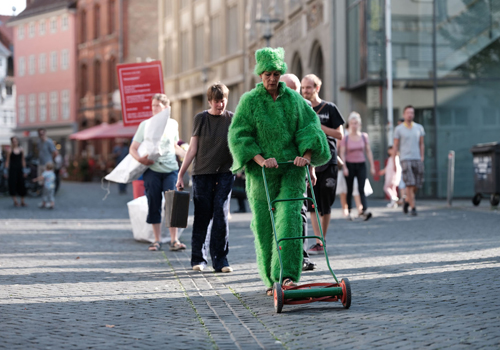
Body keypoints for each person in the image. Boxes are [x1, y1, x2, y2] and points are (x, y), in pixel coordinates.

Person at [228, 47, 330, 295]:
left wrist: (306, 158)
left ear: (281, 73)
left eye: (276, 73)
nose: (272, 78)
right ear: (260, 75)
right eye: (267, 74)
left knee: (290, 221)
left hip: (292, 169)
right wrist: (261, 160)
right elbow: (239, 135)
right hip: (261, 173)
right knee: (265, 225)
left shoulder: (295, 100)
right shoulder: (250, 101)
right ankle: (270, 279)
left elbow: (311, 128)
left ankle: (286, 277)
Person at [176, 82, 234, 273]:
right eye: (217, 101)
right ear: (210, 101)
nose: (220, 104)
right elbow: (192, 148)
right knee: (202, 216)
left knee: (221, 214)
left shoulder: (232, 119)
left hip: (225, 173)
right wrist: (181, 174)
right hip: (201, 174)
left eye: (223, 100)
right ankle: (199, 259)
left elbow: (238, 145)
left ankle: (221, 260)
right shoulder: (201, 119)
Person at [130, 93, 186, 252]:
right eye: (153, 105)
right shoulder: (145, 125)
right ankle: (156, 240)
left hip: (171, 170)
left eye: (157, 106)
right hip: (152, 170)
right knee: (153, 202)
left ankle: (174, 240)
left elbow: (174, 146)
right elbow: (132, 149)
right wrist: (141, 160)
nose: (154, 109)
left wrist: (187, 155)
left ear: (166, 108)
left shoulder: (173, 124)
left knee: (173, 203)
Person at [301, 74, 345, 255]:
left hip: (328, 160)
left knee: (326, 203)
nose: (305, 91)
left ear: (317, 88)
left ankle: (322, 240)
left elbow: (340, 135)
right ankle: (317, 240)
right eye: (303, 88)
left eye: (308, 88)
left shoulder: (330, 109)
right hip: (310, 162)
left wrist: (320, 126)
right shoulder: (302, 109)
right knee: (312, 204)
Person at [280, 73, 316, 271]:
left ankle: (301, 256)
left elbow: (311, 139)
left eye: (295, 89)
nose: (292, 93)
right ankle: (279, 257)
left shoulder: (306, 107)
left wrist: (312, 169)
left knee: (300, 211)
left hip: (298, 167)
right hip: (277, 167)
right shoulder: (272, 107)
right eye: (288, 88)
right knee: (278, 210)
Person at [340, 112, 376, 221]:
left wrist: (372, 166)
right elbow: (342, 153)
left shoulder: (364, 136)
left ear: (359, 124)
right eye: (352, 123)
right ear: (349, 124)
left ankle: (364, 210)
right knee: (349, 189)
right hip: (349, 165)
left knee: (361, 188)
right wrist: (344, 167)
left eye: (356, 123)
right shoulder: (345, 138)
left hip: (361, 164)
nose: (354, 125)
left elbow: (368, 151)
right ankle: (349, 211)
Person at [393, 105, 425, 216]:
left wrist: (422, 157)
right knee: (410, 184)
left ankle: (407, 201)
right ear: (404, 114)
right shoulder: (399, 129)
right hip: (405, 159)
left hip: (417, 158)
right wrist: (394, 161)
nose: (410, 115)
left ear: (413, 114)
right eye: (408, 113)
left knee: (417, 184)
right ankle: (413, 207)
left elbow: (422, 144)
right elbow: (395, 146)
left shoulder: (419, 128)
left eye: (411, 113)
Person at [4, 136, 28, 207]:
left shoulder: (21, 150)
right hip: (12, 170)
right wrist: (5, 170)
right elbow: (7, 161)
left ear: (18, 141)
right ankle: (15, 201)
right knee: (12, 184)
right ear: (12, 142)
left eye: (15, 141)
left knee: (22, 184)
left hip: (20, 169)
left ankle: (22, 201)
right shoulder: (10, 150)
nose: (15, 142)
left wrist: (25, 170)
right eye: (13, 141)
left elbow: (23, 160)